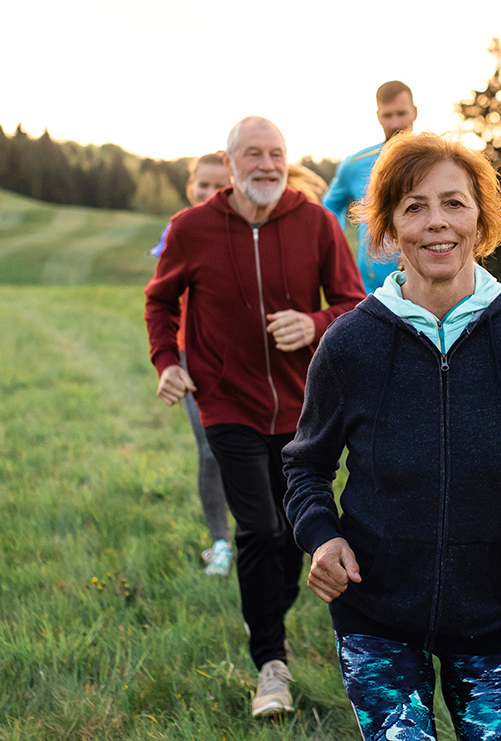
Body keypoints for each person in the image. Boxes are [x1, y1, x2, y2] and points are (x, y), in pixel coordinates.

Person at [283, 131, 501, 739]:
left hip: (494, 615)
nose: (437, 224)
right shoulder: (350, 343)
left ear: (481, 217)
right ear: (385, 227)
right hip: (373, 613)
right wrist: (322, 538)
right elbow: (305, 466)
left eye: (454, 203)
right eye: (414, 206)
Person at [144, 116, 366, 717]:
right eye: (253, 154)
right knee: (259, 529)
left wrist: (314, 324)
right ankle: (272, 663)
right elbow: (160, 299)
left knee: (294, 533)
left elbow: (352, 302)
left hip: (303, 409)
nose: (266, 164)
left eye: (276, 153)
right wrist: (167, 360)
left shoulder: (316, 224)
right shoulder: (190, 228)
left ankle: (265, 618)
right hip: (226, 403)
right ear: (232, 161)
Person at [150, 153, 235, 576]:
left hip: (242, 357)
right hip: (192, 356)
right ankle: (220, 542)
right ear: (190, 186)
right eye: (203, 184)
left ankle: (272, 535)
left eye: (220, 185)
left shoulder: (245, 230)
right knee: (209, 450)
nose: (210, 194)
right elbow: (162, 296)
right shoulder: (180, 229)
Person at [323, 80, 418, 293]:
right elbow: (328, 210)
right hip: (372, 291)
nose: (395, 123)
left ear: (415, 112)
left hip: (431, 285)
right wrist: (338, 253)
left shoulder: (440, 161)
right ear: (378, 117)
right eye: (387, 115)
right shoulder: (355, 165)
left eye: (401, 113)